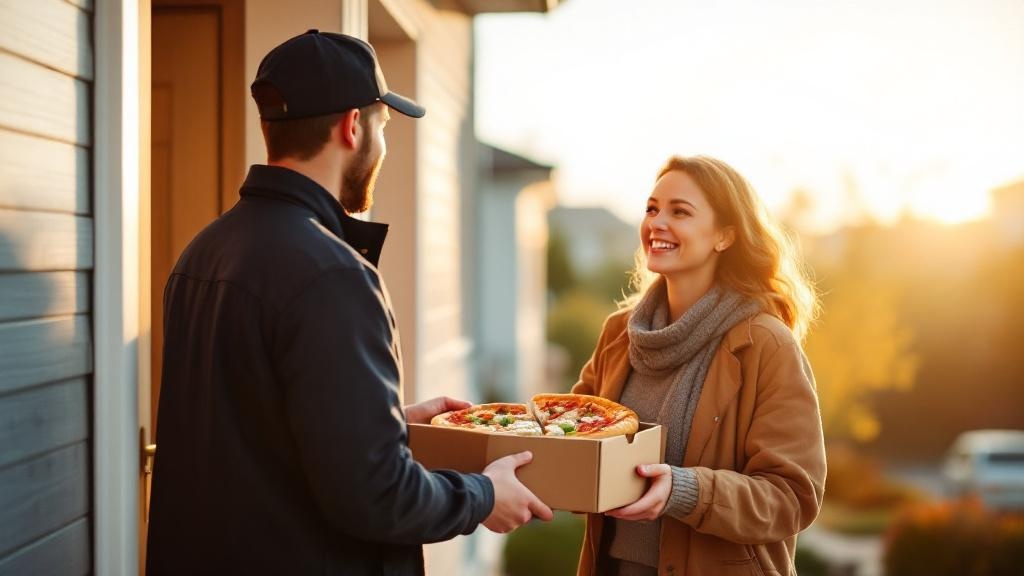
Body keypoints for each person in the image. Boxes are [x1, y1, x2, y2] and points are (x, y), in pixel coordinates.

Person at [146, 30, 551, 575]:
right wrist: (481, 495)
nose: (383, 146)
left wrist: (384, 424)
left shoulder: (203, 253)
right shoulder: (333, 275)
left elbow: (252, 431)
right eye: (383, 126)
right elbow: (377, 494)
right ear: (352, 126)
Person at [572, 156, 826, 576]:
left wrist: (685, 490)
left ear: (724, 236)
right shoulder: (619, 333)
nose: (657, 223)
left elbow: (791, 497)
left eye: (680, 212)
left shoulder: (765, 345)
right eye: (652, 208)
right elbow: (574, 435)